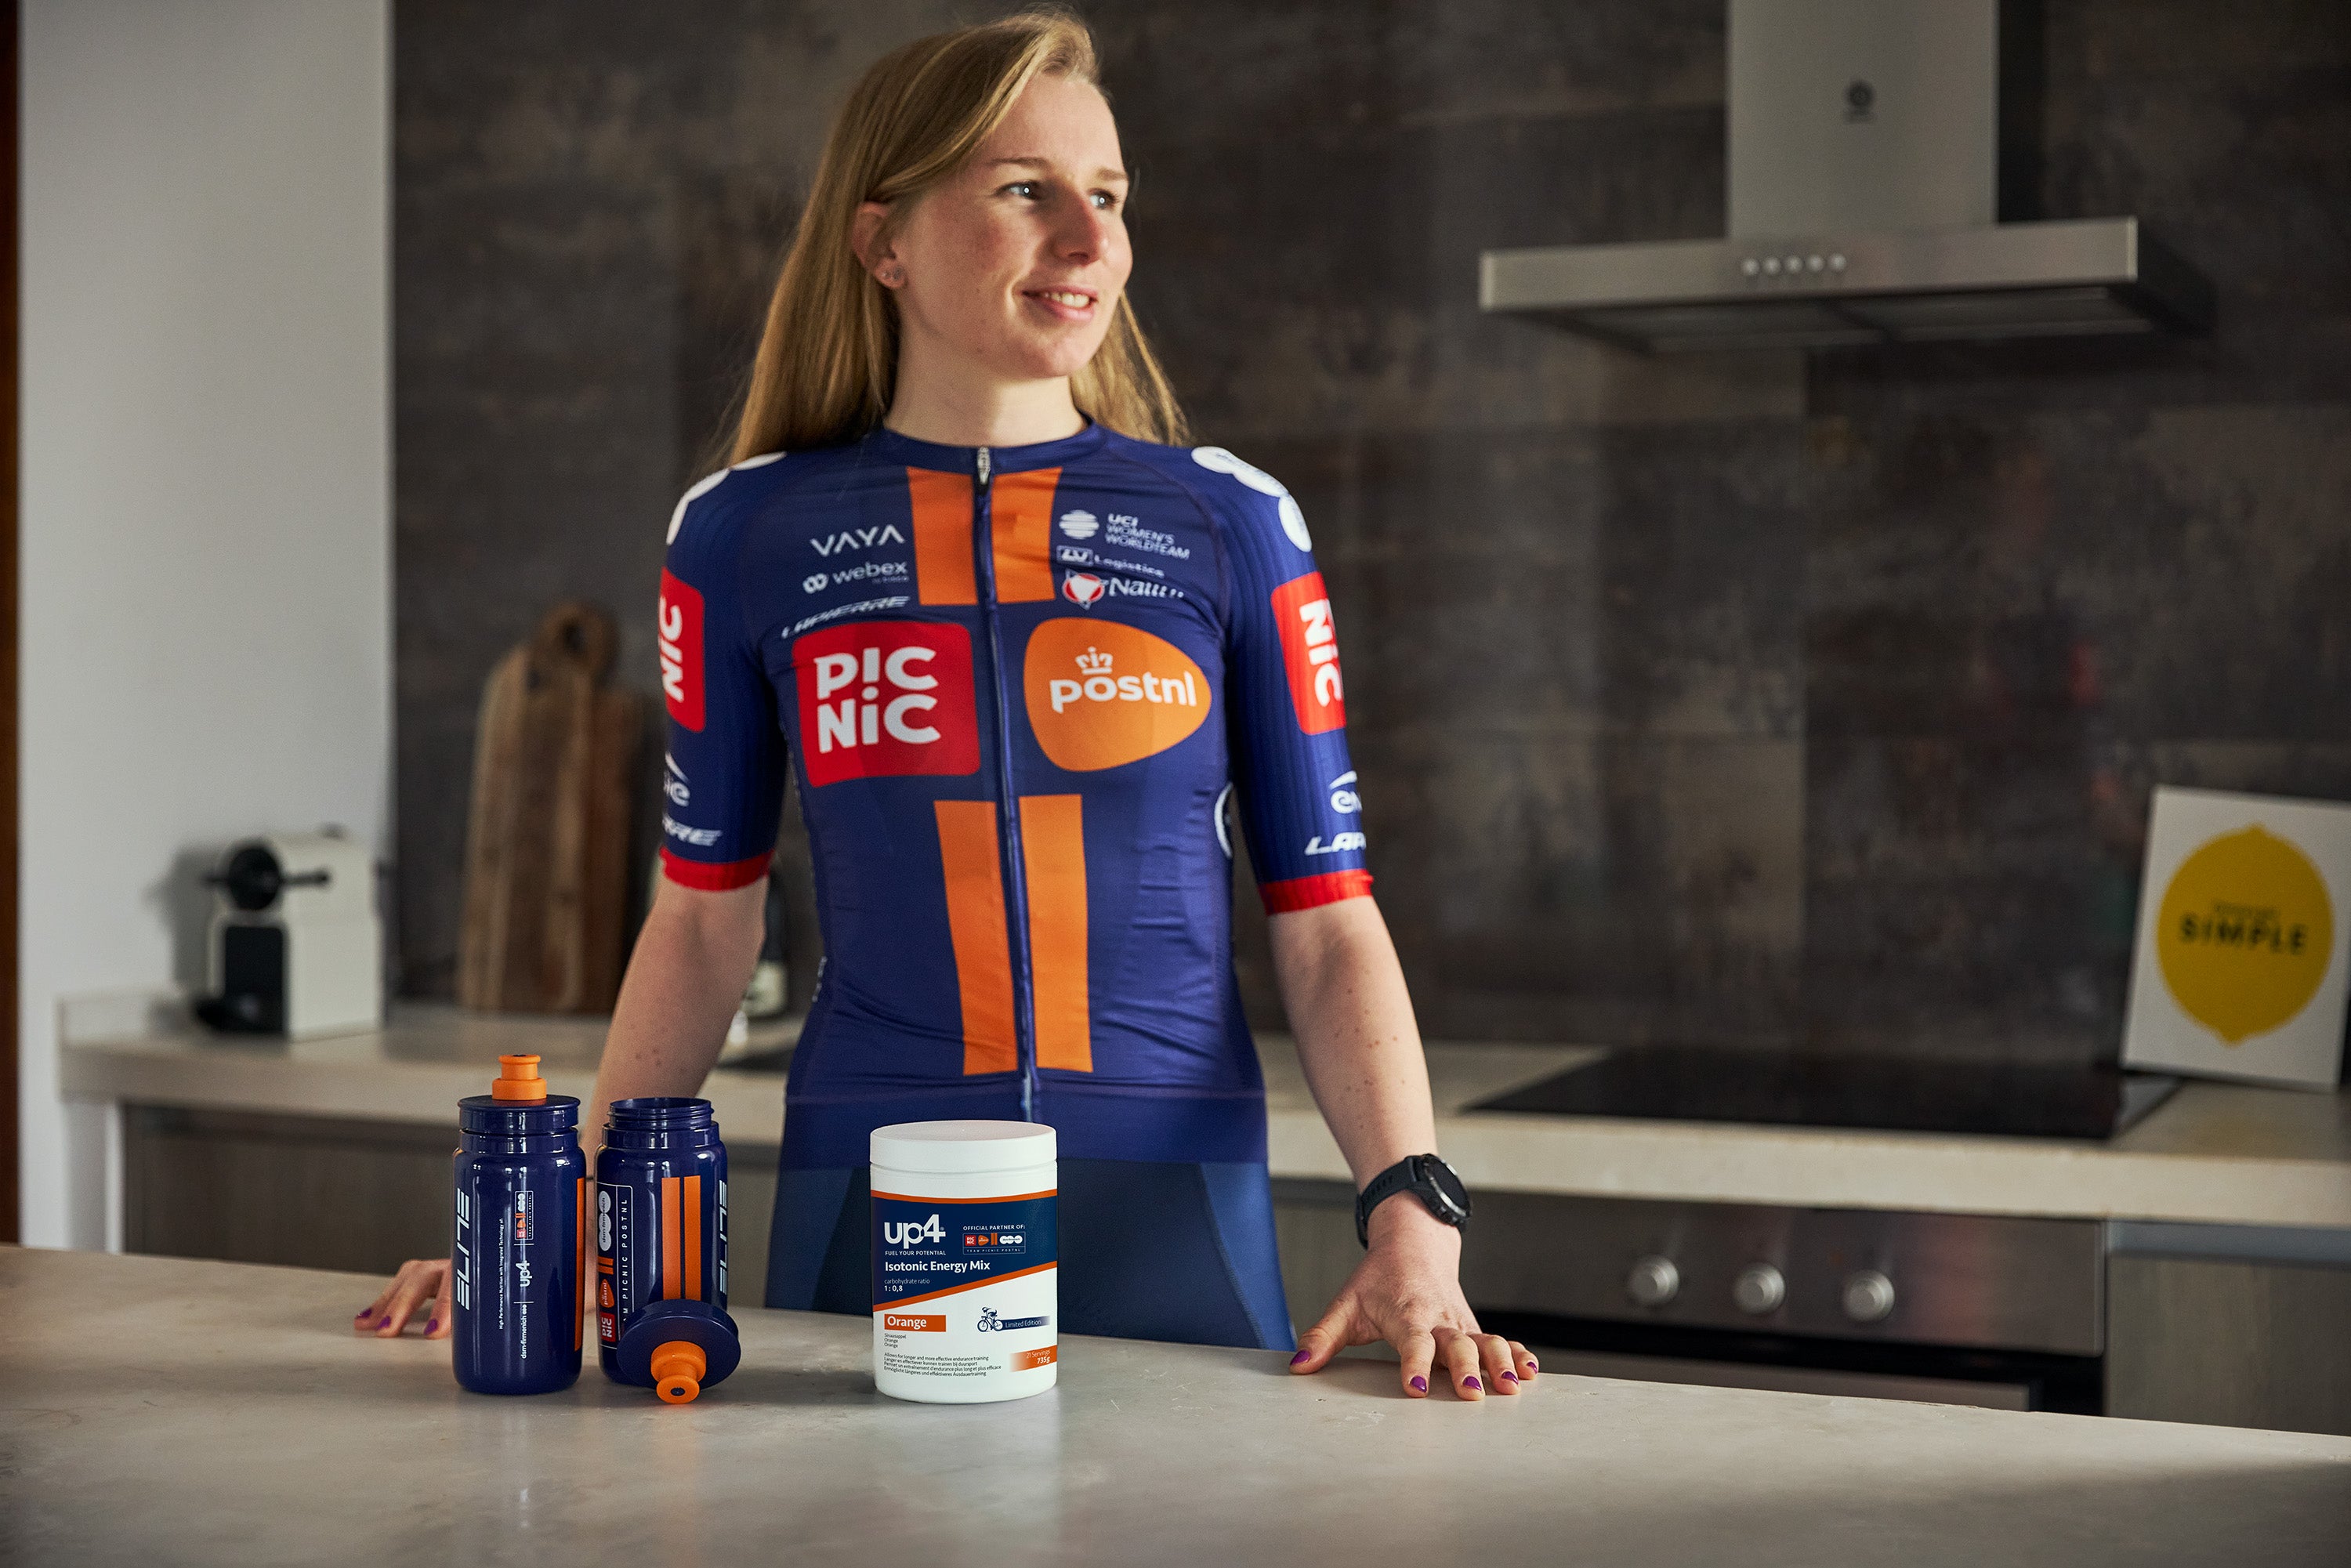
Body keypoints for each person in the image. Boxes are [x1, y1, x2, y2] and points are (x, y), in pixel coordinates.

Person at [360, 9, 1536, 1402]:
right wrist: (554, 1220)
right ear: (884, 242)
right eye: (1026, 191)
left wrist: (1414, 1209)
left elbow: (1330, 919)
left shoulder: (1234, 524)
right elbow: (699, 918)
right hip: (873, 1183)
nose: (1092, 242)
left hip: (1169, 1192)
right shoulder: (743, 536)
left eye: (1106, 196)